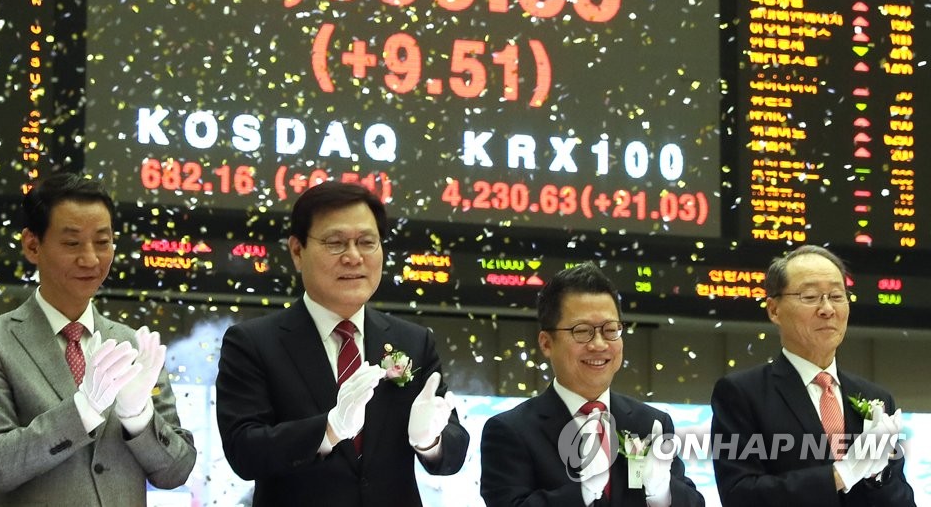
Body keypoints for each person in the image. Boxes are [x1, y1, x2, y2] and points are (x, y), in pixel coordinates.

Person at [215, 180, 469, 506]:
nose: (353, 257)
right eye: (335, 243)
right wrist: (329, 429)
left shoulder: (413, 341)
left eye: (367, 242)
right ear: (297, 251)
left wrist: (430, 441)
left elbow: (453, 452)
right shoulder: (253, 343)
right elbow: (244, 451)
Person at [0, 172, 197, 506]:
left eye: (103, 242)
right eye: (72, 243)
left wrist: (138, 417)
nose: (91, 259)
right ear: (32, 245)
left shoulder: (134, 346)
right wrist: (84, 409)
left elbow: (176, 472)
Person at [481, 262, 705, 507]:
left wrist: (662, 494)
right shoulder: (510, 431)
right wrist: (583, 493)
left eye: (610, 330)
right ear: (546, 343)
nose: (599, 344)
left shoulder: (650, 424)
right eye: (582, 331)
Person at [710, 244, 915, 506]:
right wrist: (839, 475)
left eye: (837, 296)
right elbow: (739, 495)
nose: (827, 309)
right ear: (774, 310)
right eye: (810, 297)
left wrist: (877, 474)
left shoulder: (876, 398)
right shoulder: (741, 393)